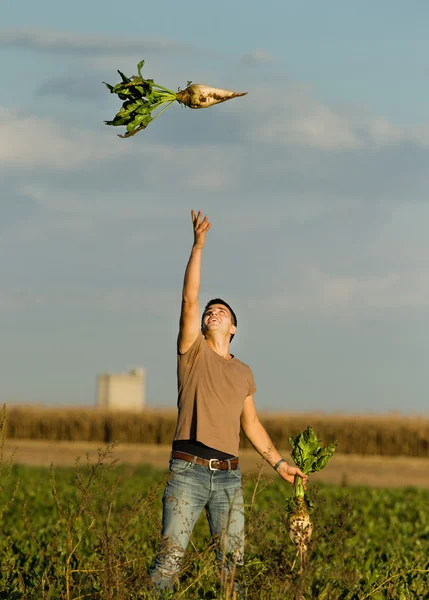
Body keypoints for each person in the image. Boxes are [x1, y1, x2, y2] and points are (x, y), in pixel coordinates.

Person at [150, 210, 308, 594]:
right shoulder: (192, 351)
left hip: (230, 478)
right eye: (209, 310)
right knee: (168, 563)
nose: (212, 310)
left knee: (232, 570)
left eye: (221, 310)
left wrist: (280, 464)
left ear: (234, 327)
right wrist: (198, 246)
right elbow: (189, 299)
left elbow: (251, 424)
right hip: (187, 470)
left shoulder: (244, 373)